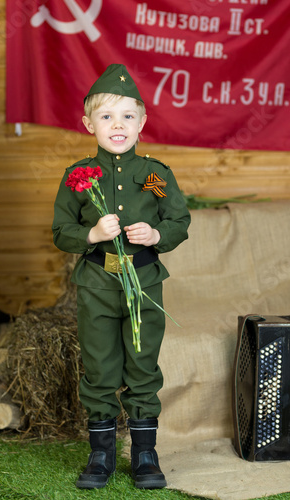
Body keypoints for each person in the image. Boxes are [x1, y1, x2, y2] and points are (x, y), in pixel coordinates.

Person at [52, 64, 190, 490]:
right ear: (88, 124)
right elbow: (61, 231)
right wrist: (92, 234)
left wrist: (156, 234)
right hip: (97, 286)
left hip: (144, 284)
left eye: (128, 116)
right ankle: (101, 454)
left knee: (143, 365)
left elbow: (178, 220)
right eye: (106, 116)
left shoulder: (153, 175)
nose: (118, 125)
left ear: (142, 123)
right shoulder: (79, 178)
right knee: (99, 367)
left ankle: (145, 454)